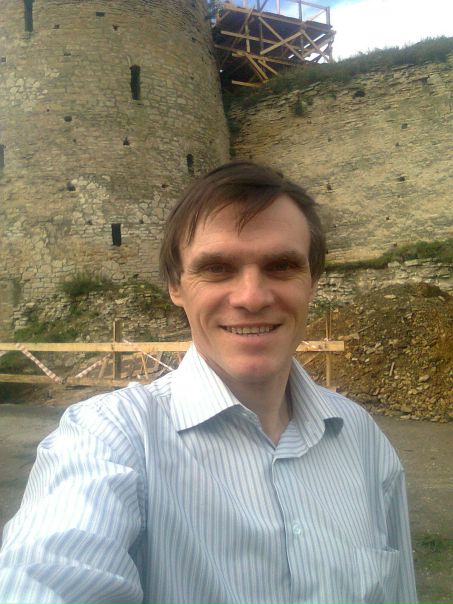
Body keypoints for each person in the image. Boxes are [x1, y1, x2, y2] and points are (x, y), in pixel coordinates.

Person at [0, 161, 417, 604]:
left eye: (281, 265)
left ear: (312, 282)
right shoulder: (108, 439)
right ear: (175, 286)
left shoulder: (364, 440)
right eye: (217, 268)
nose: (252, 297)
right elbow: (50, 574)